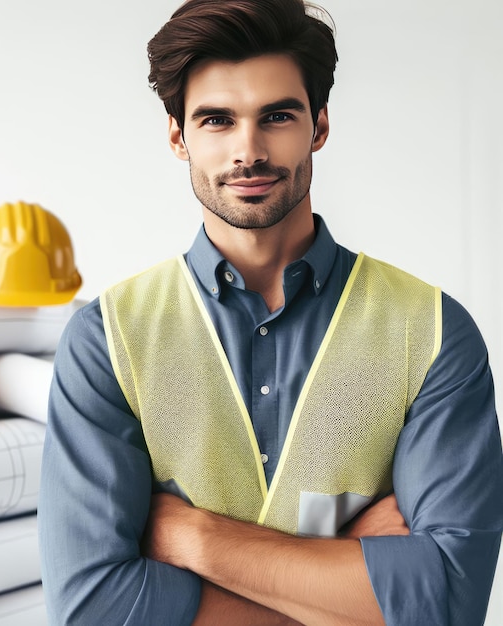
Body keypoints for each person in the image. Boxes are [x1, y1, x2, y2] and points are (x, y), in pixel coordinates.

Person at [38, 0, 503, 624]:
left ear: (319, 125)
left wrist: (188, 537)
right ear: (178, 136)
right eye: (217, 120)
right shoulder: (107, 339)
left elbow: (447, 600)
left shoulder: (435, 332)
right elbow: (93, 606)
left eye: (277, 116)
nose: (248, 150)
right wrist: (349, 585)